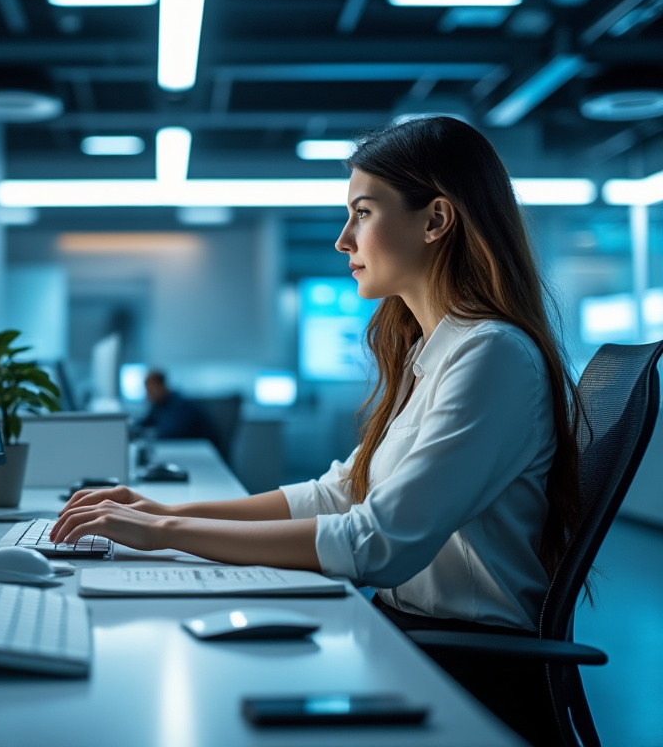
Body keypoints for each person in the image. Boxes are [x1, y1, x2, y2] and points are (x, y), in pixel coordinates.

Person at [52, 117, 582, 744]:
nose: (342, 239)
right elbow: (338, 494)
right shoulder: (434, 352)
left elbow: (378, 543)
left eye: (362, 213)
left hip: (469, 671)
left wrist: (164, 533)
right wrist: (167, 512)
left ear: (436, 220)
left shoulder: (492, 355)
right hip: (413, 639)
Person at [139, 370, 216, 443]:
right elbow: (145, 423)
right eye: (147, 391)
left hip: (202, 446)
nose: (148, 395)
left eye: (151, 390)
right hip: (185, 446)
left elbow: (171, 434)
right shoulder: (159, 405)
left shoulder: (180, 405)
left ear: (161, 386)